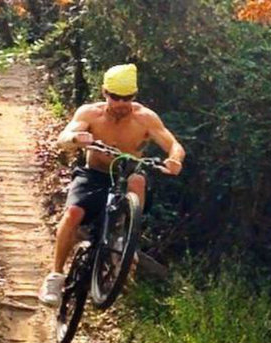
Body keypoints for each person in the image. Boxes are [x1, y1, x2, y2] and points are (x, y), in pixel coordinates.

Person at [38, 63, 185, 307]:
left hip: (127, 176)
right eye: (115, 97)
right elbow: (63, 138)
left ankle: (124, 237)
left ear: (134, 96)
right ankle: (55, 276)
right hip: (94, 174)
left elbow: (173, 144)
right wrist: (76, 138)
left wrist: (174, 161)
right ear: (105, 92)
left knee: (137, 179)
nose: (120, 104)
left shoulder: (145, 118)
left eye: (127, 98)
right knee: (73, 212)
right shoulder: (90, 113)